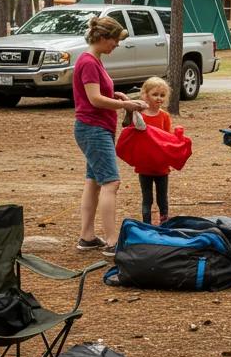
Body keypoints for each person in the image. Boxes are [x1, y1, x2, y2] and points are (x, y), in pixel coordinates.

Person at [73, 15, 145, 256]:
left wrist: (118, 96)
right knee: (111, 183)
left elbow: (97, 92)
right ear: (103, 38)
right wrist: (126, 106)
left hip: (96, 128)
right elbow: (93, 99)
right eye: (115, 40)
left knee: (93, 181)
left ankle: (87, 236)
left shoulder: (95, 60)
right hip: (92, 129)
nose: (117, 44)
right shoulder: (89, 62)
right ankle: (113, 241)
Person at [132, 76, 174, 224]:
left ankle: (164, 223)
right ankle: (146, 224)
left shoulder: (165, 116)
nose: (159, 98)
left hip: (161, 165)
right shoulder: (139, 116)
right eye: (155, 94)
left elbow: (169, 139)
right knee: (147, 198)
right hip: (145, 165)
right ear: (145, 95)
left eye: (162, 95)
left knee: (162, 197)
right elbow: (133, 137)